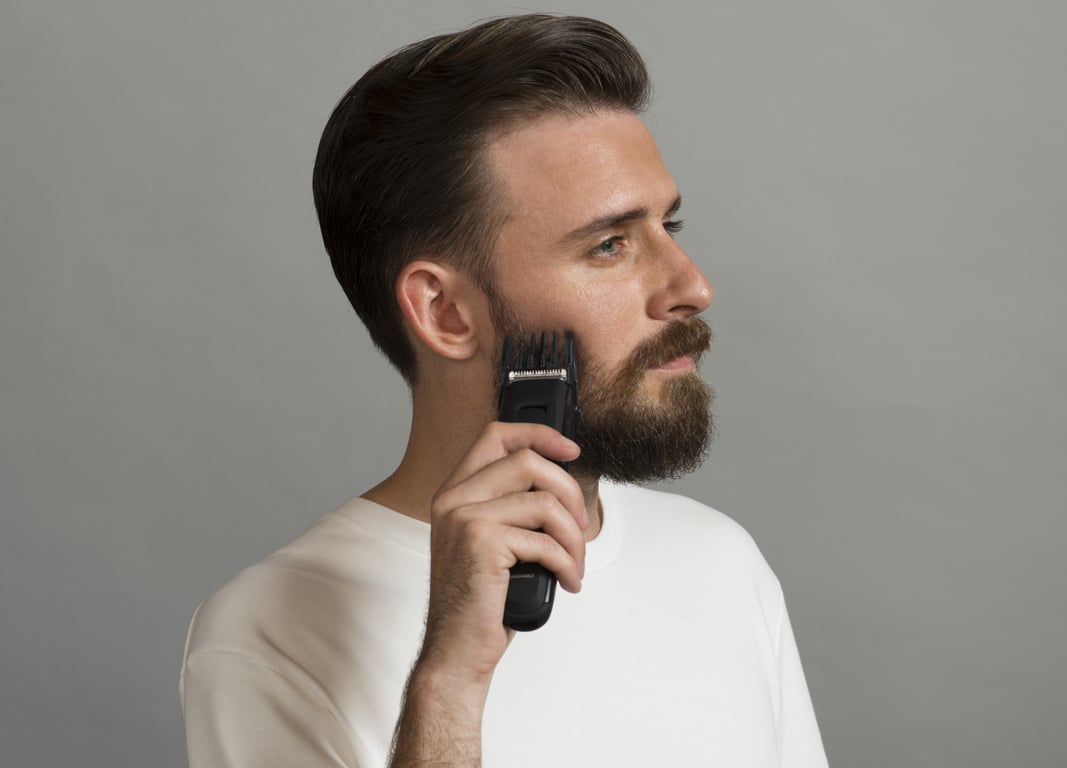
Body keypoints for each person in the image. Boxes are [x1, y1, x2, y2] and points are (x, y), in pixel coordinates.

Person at [180, 14, 828, 767]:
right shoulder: (268, 635)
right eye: (609, 244)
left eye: (668, 226)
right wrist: (450, 681)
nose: (693, 286)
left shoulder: (720, 562)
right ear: (446, 313)